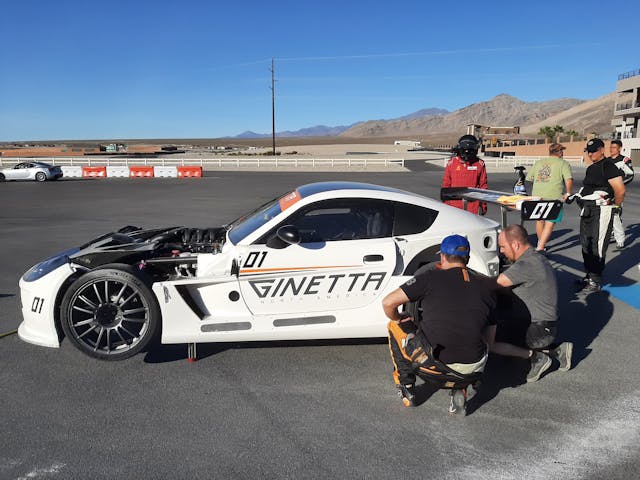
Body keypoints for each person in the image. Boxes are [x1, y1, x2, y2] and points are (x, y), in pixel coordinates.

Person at [383, 234, 496, 416]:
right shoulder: (486, 285)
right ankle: (460, 388)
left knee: (394, 325)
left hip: (431, 367)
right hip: (473, 369)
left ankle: (407, 388)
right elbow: (491, 340)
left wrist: (399, 318)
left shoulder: (429, 277)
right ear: (467, 259)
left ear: (442, 257)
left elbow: (388, 303)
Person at [490, 225, 573, 382]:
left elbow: (494, 284)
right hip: (546, 326)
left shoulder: (526, 265)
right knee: (503, 305)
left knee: (490, 337)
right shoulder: (536, 257)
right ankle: (557, 350)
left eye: (502, 247)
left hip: (539, 330)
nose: (501, 251)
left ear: (515, 245)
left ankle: (536, 357)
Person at [575, 138, 625, 291]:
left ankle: (595, 280)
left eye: (594, 151)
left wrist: (615, 206)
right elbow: (586, 188)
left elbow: (620, 190)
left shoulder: (609, 167)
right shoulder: (591, 168)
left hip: (602, 210)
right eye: (588, 151)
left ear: (602, 150)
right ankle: (589, 274)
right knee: (586, 242)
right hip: (588, 209)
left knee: (598, 243)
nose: (590, 154)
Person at [525, 143, 573, 253]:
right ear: (559, 152)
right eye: (562, 151)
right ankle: (541, 246)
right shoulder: (563, 163)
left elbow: (530, 178)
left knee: (540, 219)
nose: (563, 153)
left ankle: (540, 243)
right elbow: (568, 179)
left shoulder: (539, 162)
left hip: (537, 195)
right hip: (554, 196)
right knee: (550, 221)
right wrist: (568, 193)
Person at [442, 135, 488, 215]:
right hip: (454, 206)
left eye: (470, 150)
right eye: (465, 150)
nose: (467, 152)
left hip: (473, 207)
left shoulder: (479, 164)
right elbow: (446, 185)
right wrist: (446, 205)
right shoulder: (452, 163)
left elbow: (483, 186)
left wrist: (483, 205)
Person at [608, 139, 634, 250]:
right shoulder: (607, 161)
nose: (611, 149)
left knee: (615, 215)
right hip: (606, 193)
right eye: (610, 147)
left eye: (613, 148)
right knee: (604, 215)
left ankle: (620, 240)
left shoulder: (624, 160)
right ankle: (609, 234)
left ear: (619, 148)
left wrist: (618, 185)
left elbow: (630, 175)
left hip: (617, 192)